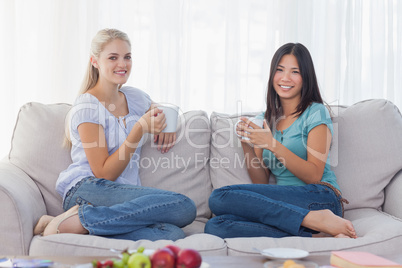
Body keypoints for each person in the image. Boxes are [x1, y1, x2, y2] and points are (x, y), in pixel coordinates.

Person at [33, 28, 196, 241]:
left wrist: (170, 123)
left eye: (127, 57)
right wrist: (138, 129)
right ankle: (80, 218)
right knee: (183, 206)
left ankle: (70, 222)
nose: (123, 64)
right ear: (95, 61)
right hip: (89, 189)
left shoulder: (134, 98)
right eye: (113, 57)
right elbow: (104, 173)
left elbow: (164, 110)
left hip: (119, 195)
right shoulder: (87, 107)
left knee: (171, 233)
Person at [204, 43, 357, 239]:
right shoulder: (266, 119)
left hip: (320, 197)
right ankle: (313, 231)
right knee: (216, 226)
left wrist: (272, 144)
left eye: (295, 72)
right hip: (286, 205)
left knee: (219, 197)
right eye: (280, 70)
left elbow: (314, 175)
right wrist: (246, 143)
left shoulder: (315, 112)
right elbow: (261, 181)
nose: (285, 78)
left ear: (305, 78)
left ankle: (319, 220)